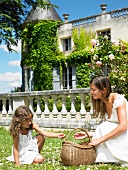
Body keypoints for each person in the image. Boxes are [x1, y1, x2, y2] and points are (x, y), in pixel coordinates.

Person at [74, 76, 128, 166]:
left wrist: (99, 140)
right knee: (103, 125)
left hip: (125, 134)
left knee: (104, 126)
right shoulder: (103, 102)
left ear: (103, 90)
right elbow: (110, 127)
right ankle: (105, 157)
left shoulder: (118, 100)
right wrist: (89, 134)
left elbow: (123, 126)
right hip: (121, 134)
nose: (91, 92)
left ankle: (111, 156)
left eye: (93, 90)